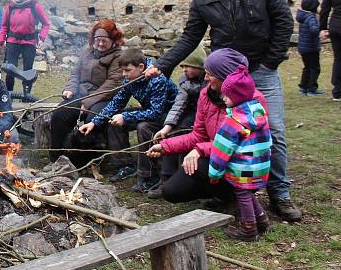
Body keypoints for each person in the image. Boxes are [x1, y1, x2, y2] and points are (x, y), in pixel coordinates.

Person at [145, 0, 301, 222]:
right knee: (222, 133)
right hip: (223, 77)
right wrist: (163, 64)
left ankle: (280, 193)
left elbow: (283, 22)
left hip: (260, 72)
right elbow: (191, 36)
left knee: (272, 132)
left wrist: (269, 63)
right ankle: (229, 190)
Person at [147, 49, 262, 208]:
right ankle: (221, 195)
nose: (206, 78)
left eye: (210, 74)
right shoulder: (206, 95)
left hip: (243, 163)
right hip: (215, 156)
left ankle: (236, 197)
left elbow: (239, 145)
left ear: (226, 77)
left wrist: (200, 150)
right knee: (171, 192)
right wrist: (166, 146)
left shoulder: (252, 101)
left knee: (200, 164)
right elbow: (197, 135)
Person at [80, 48, 177, 192]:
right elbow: (116, 102)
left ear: (141, 67)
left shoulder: (157, 78)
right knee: (113, 119)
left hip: (168, 114)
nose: (124, 74)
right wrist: (94, 122)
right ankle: (125, 165)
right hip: (148, 110)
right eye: (122, 70)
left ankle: (149, 175)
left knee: (143, 127)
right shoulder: (130, 79)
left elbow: (156, 112)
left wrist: (125, 117)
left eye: (127, 70)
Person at [208, 64, 272, 241]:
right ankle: (262, 220)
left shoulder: (234, 121)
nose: (223, 97)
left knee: (242, 195)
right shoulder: (258, 113)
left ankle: (248, 229)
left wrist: (214, 173)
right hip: (261, 164)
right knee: (248, 193)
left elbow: (221, 150)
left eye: (227, 95)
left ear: (237, 96)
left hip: (243, 167)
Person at [49, 19, 124, 169]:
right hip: (82, 95)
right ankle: (58, 159)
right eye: (98, 40)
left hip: (105, 98)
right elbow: (75, 73)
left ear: (113, 39)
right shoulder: (87, 52)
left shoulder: (118, 57)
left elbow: (112, 84)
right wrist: (70, 88)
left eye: (104, 40)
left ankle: (87, 162)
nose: (100, 44)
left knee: (92, 120)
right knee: (59, 115)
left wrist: (88, 102)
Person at [147, 46, 207, 199]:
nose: (185, 70)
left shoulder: (210, 83)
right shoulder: (185, 82)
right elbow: (179, 105)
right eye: (183, 66)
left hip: (204, 118)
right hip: (188, 115)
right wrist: (167, 127)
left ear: (200, 66)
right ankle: (166, 179)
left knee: (187, 136)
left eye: (189, 66)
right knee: (172, 137)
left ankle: (187, 182)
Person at [0, 0, 50, 93]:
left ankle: (26, 95)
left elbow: (46, 23)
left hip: (29, 42)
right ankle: (9, 94)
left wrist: (41, 38)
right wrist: (1, 39)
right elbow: (4, 25)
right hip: (12, 41)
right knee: (10, 68)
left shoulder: (34, 5)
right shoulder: (10, 6)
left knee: (28, 70)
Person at [319, 0, 341, 101]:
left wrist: (323, 27)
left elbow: (325, 9)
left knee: (338, 59)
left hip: (336, 27)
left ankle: (337, 91)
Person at [296, 0, 323, 96]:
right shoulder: (311, 17)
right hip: (311, 48)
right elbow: (313, 30)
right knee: (315, 68)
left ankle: (303, 87)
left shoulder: (303, 17)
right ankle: (312, 89)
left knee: (307, 67)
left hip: (303, 47)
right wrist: (321, 30)